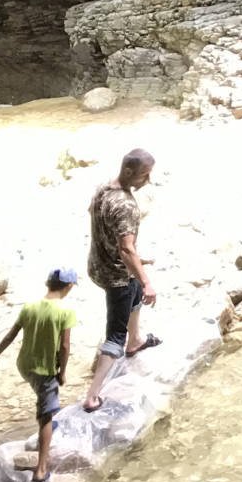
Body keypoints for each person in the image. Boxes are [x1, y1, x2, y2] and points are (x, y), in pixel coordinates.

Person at [0, 265, 78, 482]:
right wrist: (62, 372)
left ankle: (45, 416)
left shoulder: (29, 307)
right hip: (45, 370)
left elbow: (11, 335)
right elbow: (65, 346)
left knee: (44, 399)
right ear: (68, 287)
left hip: (25, 366)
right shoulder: (65, 312)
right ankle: (41, 469)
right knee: (46, 415)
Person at [82, 150, 158, 413]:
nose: (147, 181)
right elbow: (126, 249)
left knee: (134, 288)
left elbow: (94, 213)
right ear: (129, 172)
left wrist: (136, 265)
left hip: (98, 263)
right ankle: (92, 396)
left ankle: (135, 340)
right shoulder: (124, 205)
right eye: (144, 175)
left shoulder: (103, 189)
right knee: (115, 335)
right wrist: (146, 279)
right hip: (116, 275)